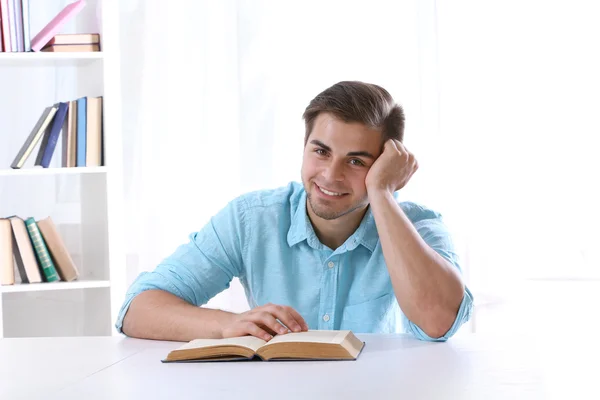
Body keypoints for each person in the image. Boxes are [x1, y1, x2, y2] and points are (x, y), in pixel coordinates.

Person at [116, 81, 473, 343]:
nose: (331, 175)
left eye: (356, 161)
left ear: (386, 164)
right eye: (321, 152)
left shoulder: (418, 227)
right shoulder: (251, 218)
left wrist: (382, 192)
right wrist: (228, 326)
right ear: (304, 148)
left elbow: (439, 322)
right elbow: (137, 309)